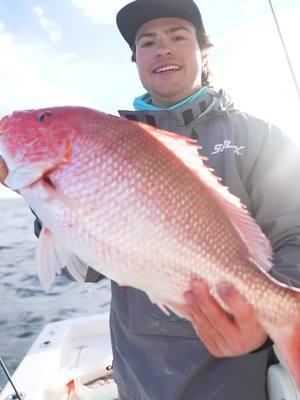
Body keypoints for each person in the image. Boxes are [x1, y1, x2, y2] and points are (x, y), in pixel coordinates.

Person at [1, 0, 300, 399]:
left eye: (178, 36)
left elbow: (295, 234)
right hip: (139, 375)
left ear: (202, 50)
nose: (163, 48)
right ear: (136, 59)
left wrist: (264, 326)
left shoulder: (259, 137)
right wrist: (39, 195)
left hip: (236, 376)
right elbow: (84, 270)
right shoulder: (107, 137)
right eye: (147, 42)